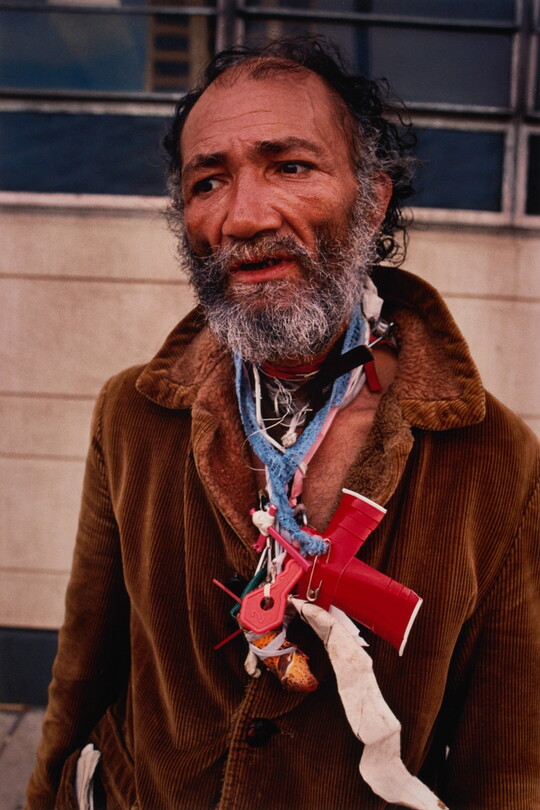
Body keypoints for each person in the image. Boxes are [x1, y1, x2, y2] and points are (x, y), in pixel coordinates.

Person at [27, 36, 539, 810]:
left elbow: (509, 764)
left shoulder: (497, 460)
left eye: (290, 166)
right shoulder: (132, 416)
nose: (242, 215)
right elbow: (82, 673)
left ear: (372, 198)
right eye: (208, 181)